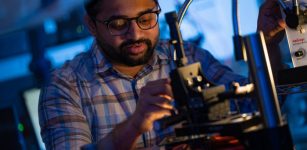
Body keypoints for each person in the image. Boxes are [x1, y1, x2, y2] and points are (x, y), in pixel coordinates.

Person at [38, 0, 286, 149]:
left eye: (146, 18)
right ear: (91, 25)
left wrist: (269, 43)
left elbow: (258, 101)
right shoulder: (64, 86)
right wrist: (136, 124)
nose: (135, 34)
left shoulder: (186, 55)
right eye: (118, 24)